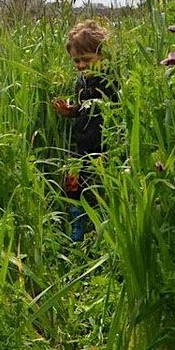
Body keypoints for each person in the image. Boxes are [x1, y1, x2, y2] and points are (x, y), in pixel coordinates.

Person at [53, 19, 119, 242]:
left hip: (106, 145)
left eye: (87, 59)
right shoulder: (81, 82)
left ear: (103, 55)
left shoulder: (111, 81)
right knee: (72, 183)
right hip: (82, 145)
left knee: (106, 187)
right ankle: (78, 230)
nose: (81, 65)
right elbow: (84, 109)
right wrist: (71, 111)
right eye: (76, 61)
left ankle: (107, 229)